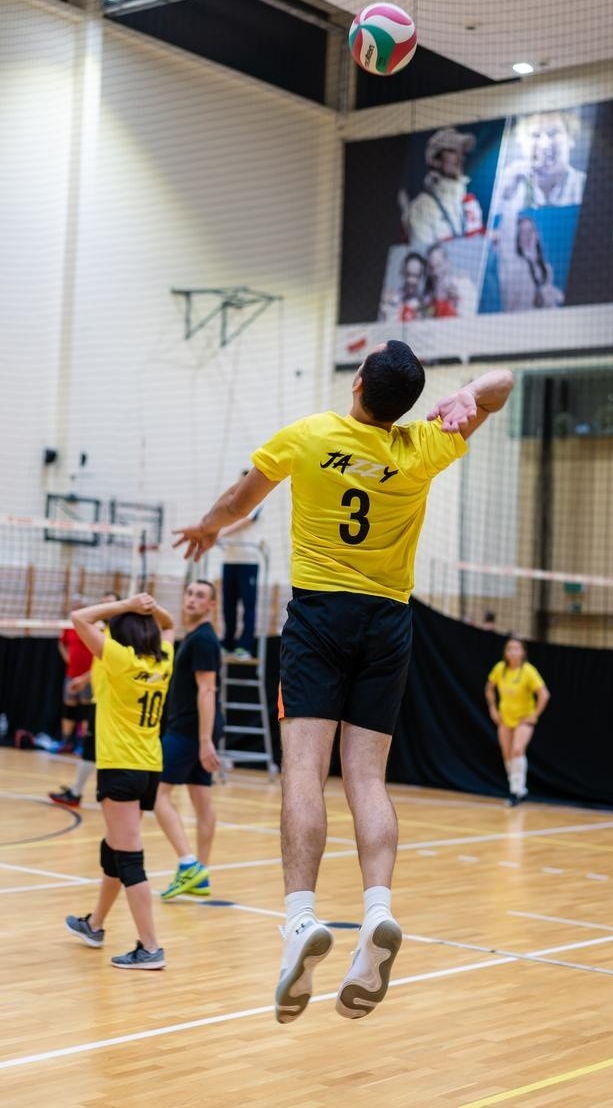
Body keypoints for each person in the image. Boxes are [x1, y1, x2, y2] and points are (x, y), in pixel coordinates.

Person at [173, 339, 514, 1024]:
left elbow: (244, 494)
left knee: (304, 772)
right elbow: (504, 381)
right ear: (405, 404)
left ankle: (301, 921)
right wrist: (466, 396)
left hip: (320, 616)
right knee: (367, 779)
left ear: (357, 382)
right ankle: (378, 911)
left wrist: (210, 528)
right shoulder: (424, 446)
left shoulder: (308, 436)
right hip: (388, 622)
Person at [63, 593, 175, 969]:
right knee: (113, 848)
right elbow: (171, 624)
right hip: (148, 767)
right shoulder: (162, 659)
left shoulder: (119, 660)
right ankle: (94, 925)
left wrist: (127, 604)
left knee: (128, 857)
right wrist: (150, 607)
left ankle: (150, 947)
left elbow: (79, 617)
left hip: (121, 766)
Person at [155, 580, 223, 900]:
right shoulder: (196, 637)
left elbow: (208, 690)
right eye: (190, 594)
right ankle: (202, 874)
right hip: (195, 731)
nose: (192, 600)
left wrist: (204, 739)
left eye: (200, 596)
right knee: (201, 798)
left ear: (211, 605)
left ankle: (189, 864)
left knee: (155, 793)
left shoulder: (204, 641)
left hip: (188, 731)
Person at [48, 591, 120, 808]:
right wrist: (84, 678)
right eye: (103, 603)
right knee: (95, 746)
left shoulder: (118, 633)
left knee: (95, 747)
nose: (105, 608)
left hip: (108, 701)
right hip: (99, 696)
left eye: (110, 604)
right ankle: (81, 791)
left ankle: (79, 792)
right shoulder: (103, 631)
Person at [485, 636, 550, 805]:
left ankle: (517, 790)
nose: (512, 652)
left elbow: (544, 695)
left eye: (516, 648)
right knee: (506, 753)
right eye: (509, 649)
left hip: (523, 719)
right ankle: (516, 787)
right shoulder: (500, 669)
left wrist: (534, 714)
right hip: (506, 718)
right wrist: (493, 708)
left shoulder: (528, 671)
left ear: (523, 652)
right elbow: (489, 689)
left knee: (517, 749)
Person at [404, 128, 484, 251]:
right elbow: (422, 257)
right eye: (452, 151)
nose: (460, 157)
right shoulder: (421, 208)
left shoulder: (470, 202)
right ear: (434, 160)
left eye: (461, 151)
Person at [502, 111, 586, 208]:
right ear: (521, 142)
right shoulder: (507, 183)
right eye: (535, 135)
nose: (545, 144)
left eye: (553, 133)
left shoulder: (585, 185)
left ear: (571, 139)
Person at [219, 475, 263, 656]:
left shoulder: (258, 502)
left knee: (248, 606)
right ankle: (227, 643)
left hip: (248, 560)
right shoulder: (231, 505)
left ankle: (245, 647)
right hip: (230, 559)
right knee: (228, 605)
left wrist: (220, 533)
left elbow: (246, 521)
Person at [57, 601, 93, 753]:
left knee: (86, 708)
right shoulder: (69, 626)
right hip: (71, 673)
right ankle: (65, 741)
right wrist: (68, 658)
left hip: (89, 675)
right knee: (69, 707)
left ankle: (82, 743)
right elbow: (61, 643)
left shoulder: (92, 626)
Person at [424, 242, 478, 319]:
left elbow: (469, 317)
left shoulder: (464, 285)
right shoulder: (427, 297)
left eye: (439, 265)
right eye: (431, 267)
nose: (436, 272)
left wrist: (457, 299)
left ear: (447, 264)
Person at [378, 251, 427, 323]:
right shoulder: (390, 299)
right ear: (402, 272)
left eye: (415, 275)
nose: (410, 280)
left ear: (421, 277)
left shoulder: (425, 305)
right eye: (408, 274)